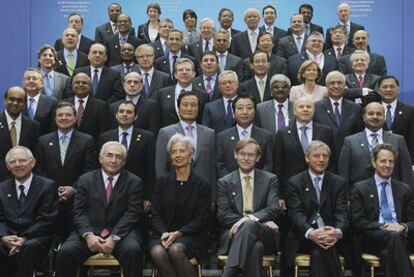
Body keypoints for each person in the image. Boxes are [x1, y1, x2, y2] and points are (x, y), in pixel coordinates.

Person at [55, 142, 144, 277]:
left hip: (121, 234)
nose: (113, 160)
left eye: (118, 157)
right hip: (90, 232)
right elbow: (79, 211)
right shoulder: (85, 180)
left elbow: (133, 213)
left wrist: (114, 237)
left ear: (124, 162)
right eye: (109, 156)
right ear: (100, 158)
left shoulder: (134, 182)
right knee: (66, 252)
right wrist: (88, 235)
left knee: (133, 250)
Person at [150, 134, 210, 277]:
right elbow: (156, 215)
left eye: (182, 151)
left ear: (191, 155)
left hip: (191, 235)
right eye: (174, 152)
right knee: (157, 252)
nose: (177, 155)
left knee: (175, 250)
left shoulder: (202, 184)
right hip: (163, 233)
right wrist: (164, 232)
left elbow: (201, 219)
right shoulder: (162, 182)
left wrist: (179, 233)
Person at [284, 140, 347, 277]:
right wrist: (311, 233)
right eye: (316, 156)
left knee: (320, 252)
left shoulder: (338, 182)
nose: (321, 159)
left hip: (331, 237)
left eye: (325, 156)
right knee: (325, 249)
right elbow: (296, 214)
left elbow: (341, 213)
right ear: (307, 158)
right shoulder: (294, 182)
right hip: (303, 237)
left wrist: (336, 232)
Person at [217, 138, 279, 277]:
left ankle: (229, 272)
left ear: (258, 158)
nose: (246, 158)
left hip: (264, 233)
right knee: (256, 248)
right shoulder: (224, 182)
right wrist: (249, 221)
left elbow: (274, 208)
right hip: (234, 234)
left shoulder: (270, 179)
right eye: (242, 153)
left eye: (250, 155)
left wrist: (248, 219)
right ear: (235, 155)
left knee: (250, 225)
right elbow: (223, 215)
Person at [35, 101, 98, 238]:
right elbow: (39, 168)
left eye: (68, 115)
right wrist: (52, 190)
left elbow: (90, 169)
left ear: (76, 118)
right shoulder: (43, 141)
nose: (64, 118)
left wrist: (73, 189)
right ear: (55, 118)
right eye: (60, 115)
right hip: (49, 200)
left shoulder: (87, 140)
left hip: (77, 199)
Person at [351, 143, 414, 277]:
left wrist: (402, 226)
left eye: (391, 161)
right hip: (373, 237)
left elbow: (412, 220)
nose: (387, 165)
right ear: (374, 163)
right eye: (383, 161)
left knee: (387, 254)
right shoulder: (360, 188)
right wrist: (384, 227)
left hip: (401, 237)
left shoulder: (405, 189)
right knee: (394, 238)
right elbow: (358, 221)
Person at [0, 146, 58, 277]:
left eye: (22, 160)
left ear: (32, 163)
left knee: (29, 247)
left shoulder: (47, 186)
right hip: (8, 238)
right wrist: (3, 237)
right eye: (13, 162)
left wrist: (24, 238)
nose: (18, 165)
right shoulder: (1, 188)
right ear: (8, 167)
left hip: (37, 237)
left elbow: (47, 219)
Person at [273, 96, 335, 214]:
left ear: (314, 110)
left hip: (319, 187)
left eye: (308, 107)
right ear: (294, 111)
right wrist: (279, 195)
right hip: (290, 189)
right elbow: (278, 165)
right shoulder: (283, 133)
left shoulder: (326, 131)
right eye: (301, 107)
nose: (305, 109)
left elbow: (332, 162)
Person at [155, 91, 216, 201]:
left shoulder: (209, 133)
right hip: (174, 192)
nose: (189, 108)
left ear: (198, 108)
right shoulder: (165, 132)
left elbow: (212, 168)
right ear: (178, 108)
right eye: (185, 105)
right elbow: (160, 167)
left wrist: (213, 198)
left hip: (202, 193)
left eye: (193, 105)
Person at [338, 101, 413, 188]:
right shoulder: (350, 141)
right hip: (359, 197)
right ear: (364, 117)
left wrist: (408, 198)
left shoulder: (398, 140)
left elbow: (406, 173)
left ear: (384, 117)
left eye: (379, 114)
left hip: (392, 195)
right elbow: (343, 175)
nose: (375, 117)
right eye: (371, 114)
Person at [99, 100, 155, 213]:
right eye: (121, 111)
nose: (124, 114)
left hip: (136, 191)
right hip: (110, 189)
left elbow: (150, 168)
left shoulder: (147, 137)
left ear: (135, 117)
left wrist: (148, 196)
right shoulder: (105, 137)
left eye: (129, 112)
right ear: (116, 115)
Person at [216, 93, 273, 178]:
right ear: (234, 112)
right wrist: (232, 182)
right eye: (240, 108)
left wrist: (259, 182)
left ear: (255, 111)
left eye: (249, 108)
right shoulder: (222, 137)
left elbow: (268, 164)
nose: (245, 112)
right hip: (230, 186)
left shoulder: (266, 136)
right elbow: (220, 164)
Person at [314, 71, 362, 160]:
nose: (336, 86)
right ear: (327, 86)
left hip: (350, 156)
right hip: (324, 157)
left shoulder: (355, 108)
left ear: (345, 86)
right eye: (332, 83)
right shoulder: (316, 107)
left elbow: (359, 134)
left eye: (339, 83)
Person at [154, 58, 208, 127]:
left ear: (194, 74)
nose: (184, 72)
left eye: (188, 70)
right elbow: (157, 120)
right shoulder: (162, 94)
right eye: (180, 70)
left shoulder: (203, 96)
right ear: (175, 75)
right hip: (169, 136)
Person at [0, 86, 39, 182]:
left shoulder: (33, 126)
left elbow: (35, 155)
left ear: (24, 104)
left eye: (19, 100)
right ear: (5, 100)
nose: (15, 103)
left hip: (25, 180)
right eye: (11, 99)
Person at [65, 73, 110, 142]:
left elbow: (104, 132)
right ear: (72, 85)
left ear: (90, 86)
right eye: (77, 82)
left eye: (84, 83)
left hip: (92, 148)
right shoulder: (63, 105)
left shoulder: (101, 106)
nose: (80, 84)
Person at [379, 75, 414, 163]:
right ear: (379, 90)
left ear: (398, 89)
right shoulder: (372, 110)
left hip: (402, 159)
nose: (388, 89)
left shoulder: (409, 111)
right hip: (378, 159)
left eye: (391, 86)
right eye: (385, 87)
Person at [23, 68, 58, 136]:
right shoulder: (19, 101)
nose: (31, 81)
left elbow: (54, 128)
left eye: (34, 78)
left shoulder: (52, 102)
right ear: (24, 83)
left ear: (42, 83)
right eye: (28, 78)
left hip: (43, 143)